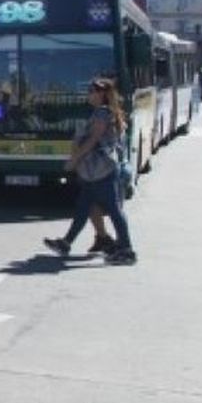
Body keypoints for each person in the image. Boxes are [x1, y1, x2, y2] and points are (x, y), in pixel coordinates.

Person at [45, 78, 137, 265]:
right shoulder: (101, 112)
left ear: (101, 94)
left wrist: (74, 159)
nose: (88, 94)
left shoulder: (102, 114)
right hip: (94, 171)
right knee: (83, 207)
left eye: (91, 91)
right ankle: (66, 243)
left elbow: (93, 140)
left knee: (114, 211)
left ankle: (127, 250)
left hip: (102, 171)